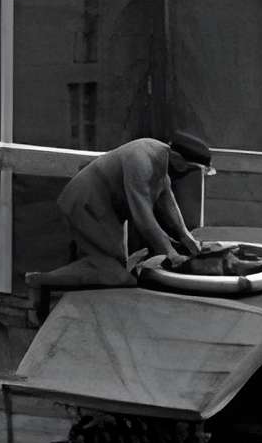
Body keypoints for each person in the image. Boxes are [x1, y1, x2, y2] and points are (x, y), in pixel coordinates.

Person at [27, 132, 222, 317]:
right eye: (192, 169)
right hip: (86, 204)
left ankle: (51, 284)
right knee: (115, 274)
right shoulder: (142, 159)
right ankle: (40, 281)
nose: (189, 173)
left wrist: (186, 237)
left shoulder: (159, 157)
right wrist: (170, 253)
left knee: (112, 267)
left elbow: (167, 201)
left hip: (102, 210)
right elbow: (143, 217)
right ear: (179, 159)